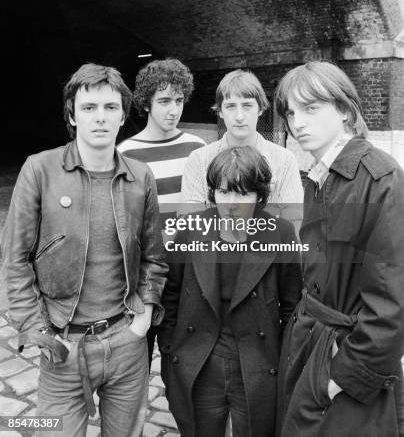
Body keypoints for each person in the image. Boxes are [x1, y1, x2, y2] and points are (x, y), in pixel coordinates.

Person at [1, 63, 167, 437]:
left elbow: (155, 258)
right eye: (89, 108)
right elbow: (14, 260)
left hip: (126, 342)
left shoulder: (140, 177)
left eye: (110, 108)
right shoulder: (39, 170)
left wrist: (143, 319)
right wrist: (39, 331)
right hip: (64, 346)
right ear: (72, 115)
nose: (100, 118)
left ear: (124, 115)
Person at [274, 60, 404, 437]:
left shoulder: (381, 179)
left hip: (339, 358)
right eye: (291, 112)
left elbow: (391, 302)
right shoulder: (321, 174)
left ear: (345, 110)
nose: (297, 123)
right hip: (311, 344)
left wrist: (341, 378)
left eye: (311, 109)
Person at [158, 145, 302, 437]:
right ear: (212, 194)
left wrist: (285, 361)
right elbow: (170, 294)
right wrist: (170, 349)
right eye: (224, 192)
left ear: (259, 196)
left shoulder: (281, 233)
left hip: (256, 361)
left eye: (242, 193)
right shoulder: (191, 230)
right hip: (200, 360)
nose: (232, 203)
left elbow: (292, 306)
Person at [118, 58, 205, 365]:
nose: (173, 109)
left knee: (185, 364)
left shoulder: (197, 147)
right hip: (145, 277)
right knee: (134, 362)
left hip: (188, 275)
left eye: (179, 100)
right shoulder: (125, 154)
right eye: (164, 101)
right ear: (146, 103)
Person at [180, 69, 303, 219]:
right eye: (231, 106)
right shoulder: (199, 159)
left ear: (260, 109)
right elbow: (191, 221)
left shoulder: (284, 160)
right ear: (220, 111)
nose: (239, 116)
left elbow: (294, 220)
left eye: (247, 106)